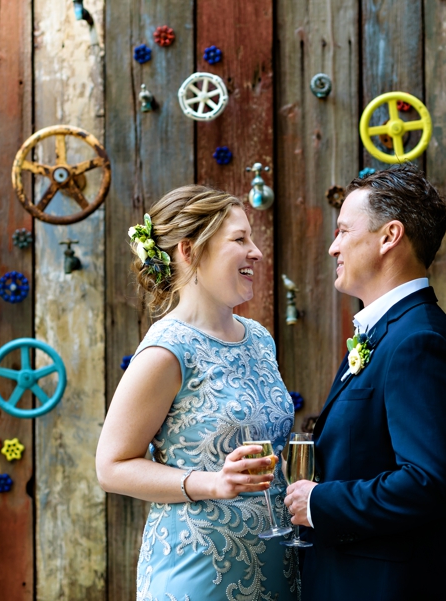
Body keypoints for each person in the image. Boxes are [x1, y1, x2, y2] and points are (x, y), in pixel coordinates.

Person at [96, 185, 298, 601]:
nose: (256, 252)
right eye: (240, 239)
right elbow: (111, 467)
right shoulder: (165, 350)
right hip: (198, 572)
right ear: (189, 251)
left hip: (278, 564)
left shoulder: (259, 339)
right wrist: (212, 483)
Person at [284, 163, 446, 600]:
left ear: (389, 237)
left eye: (343, 232)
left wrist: (319, 503)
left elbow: (428, 483)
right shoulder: (385, 332)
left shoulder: (419, 340)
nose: (333, 247)